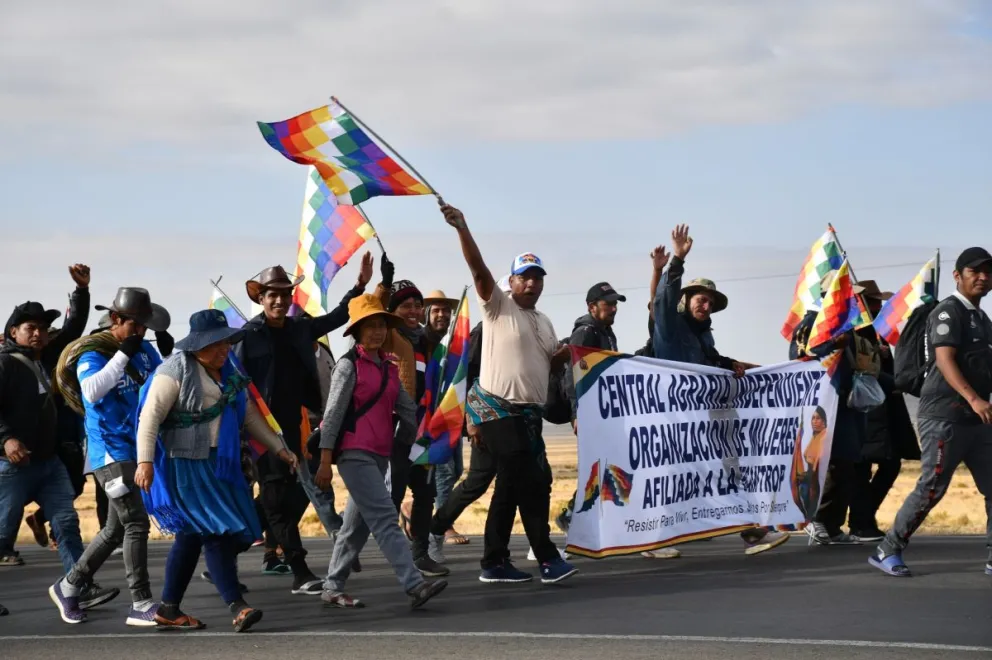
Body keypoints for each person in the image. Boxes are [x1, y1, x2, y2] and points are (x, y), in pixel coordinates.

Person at [134, 309, 298, 631]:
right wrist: (145, 462)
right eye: (215, 344)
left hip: (220, 466)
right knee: (214, 533)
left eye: (226, 342)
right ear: (196, 345)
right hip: (186, 466)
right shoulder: (174, 370)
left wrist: (280, 448)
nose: (224, 349)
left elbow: (250, 418)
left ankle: (168, 608)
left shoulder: (230, 374)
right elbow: (149, 418)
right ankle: (237, 606)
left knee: (193, 536)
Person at [443, 202, 578, 585]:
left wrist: (561, 358)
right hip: (496, 410)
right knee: (526, 478)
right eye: (525, 277)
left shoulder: (545, 322)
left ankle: (494, 561)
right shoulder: (498, 307)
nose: (532, 283)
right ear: (512, 282)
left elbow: (545, 367)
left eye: (537, 278)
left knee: (513, 483)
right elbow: (478, 271)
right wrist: (463, 229)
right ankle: (547, 558)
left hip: (528, 415)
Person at [235, 259, 371, 594]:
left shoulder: (300, 328)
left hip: (295, 426)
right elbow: (234, 382)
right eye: (272, 295)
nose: (279, 301)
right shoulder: (248, 335)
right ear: (261, 298)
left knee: (297, 495)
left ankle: (227, 548)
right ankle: (299, 570)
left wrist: (359, 288)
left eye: (284, 294)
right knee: (276, 497)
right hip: (262, 429)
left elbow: (338, 317)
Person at [652, 225, 789, 556]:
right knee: (672, 478)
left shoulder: (704, 336)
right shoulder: (670, 328)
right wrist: (676, 262)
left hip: (704, 417)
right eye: (701, 298)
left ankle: (751, 533)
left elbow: (714, 361)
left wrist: (747, 368)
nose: (706, 305)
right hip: (674, 417)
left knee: (728, 467)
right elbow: (663, 299)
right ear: (686, 301)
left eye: (710, 302)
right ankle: (655, 541)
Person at [315, 294, 448, 609]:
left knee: (355, 527)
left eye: (381, 326)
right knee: (387, 517)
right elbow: (331, 416)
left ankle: (332, 586)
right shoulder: (348, 366)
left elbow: (406, 409)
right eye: (369, 326)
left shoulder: (389, 367)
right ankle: (414, 584)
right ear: (357, 331)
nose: (376, 332)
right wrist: (324, 460)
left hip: (380, 453)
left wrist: (422, 445)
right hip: (353, 452)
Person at [49, 287, 170, 626]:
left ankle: (69, 585)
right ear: (116, 320)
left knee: (115, 530)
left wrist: (171, 357)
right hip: (109, 453)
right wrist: (122, 355)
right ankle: (141, 602)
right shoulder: (94, 353)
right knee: (135, 523)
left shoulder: (143, 351)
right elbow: (91, 390)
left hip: (136, 449)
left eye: (145, 326)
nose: (141, 332)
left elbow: (159, 389)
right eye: (136, 325)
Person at [871, 247, 992, 577]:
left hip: (976, 420)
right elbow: (945, 360)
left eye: (988, 272)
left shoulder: (981, 318)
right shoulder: (947, 312)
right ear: (958, 276)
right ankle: (887, 550)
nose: (983, 277)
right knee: (931, 488)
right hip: (944, 417)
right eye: (974, 271)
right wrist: (975, 398)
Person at [3, 265, 91, 568]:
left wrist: (81, 291)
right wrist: (6, 439)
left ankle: (78, 586)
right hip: (13, 463)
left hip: (48, 460)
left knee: (66, 522)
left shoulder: (48, 357)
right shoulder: (5, 365)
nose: (40, 334)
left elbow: (73, 328)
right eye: (32, 329)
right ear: (13, 332)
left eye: (43, 328)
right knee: (2, 531)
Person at [791, 272, 877, 546]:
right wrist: (832, 344)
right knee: (829, 464)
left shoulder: (849, 326)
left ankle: (833, 524)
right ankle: (816, 520)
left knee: (847, 464)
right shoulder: (812, 322)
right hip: (824, 404)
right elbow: (800, 357)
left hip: (848, 403)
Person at [372, 272, 449, 577]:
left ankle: (419, 554)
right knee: (391, 495)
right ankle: (356, 546)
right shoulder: (389, 336)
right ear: (393, 311)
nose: (414, 311)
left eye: (418, 305)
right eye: (406, 306)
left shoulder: (430, 343)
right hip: (395, 430)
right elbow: (373, 309)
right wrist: (384, 286)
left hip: (426, 430)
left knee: (426, 493)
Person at [848, 281, 920, 542]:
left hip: (886, 410)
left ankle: (864, 519)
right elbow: (861, 373)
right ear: (862, 303)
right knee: (863, 467)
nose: (880, 306)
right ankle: (860, 523)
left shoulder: (876, 332)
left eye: (880, 302)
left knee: (889, 464)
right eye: (874, 301)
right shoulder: (856, 332)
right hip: (867, 410)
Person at [419, 289, 468, 563]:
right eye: (436, 310)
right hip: (429, 421)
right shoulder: (423, 342)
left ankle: (414, 513)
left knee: (456, 469)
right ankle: (438, 531)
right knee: (443, 473)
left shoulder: (448, 345)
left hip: (450, 417)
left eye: (445, 311)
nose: (442, 315)